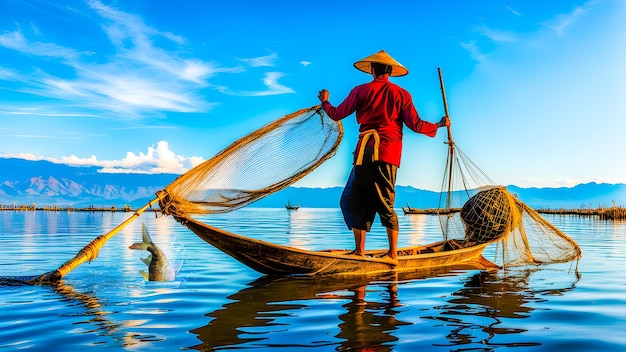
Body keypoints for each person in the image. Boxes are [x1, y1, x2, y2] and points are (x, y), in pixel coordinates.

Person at [317, 49, 450, 264]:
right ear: (389, 72)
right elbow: (416, 125)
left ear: (371, 70)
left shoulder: (360, 91)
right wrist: (439, 125)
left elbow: (336, 113)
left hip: (365, 152)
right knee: (377, 200)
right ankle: (381, 253)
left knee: (354, 199)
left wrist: (325, 101)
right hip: (387, 152)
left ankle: (383, 254)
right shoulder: (402, 94)